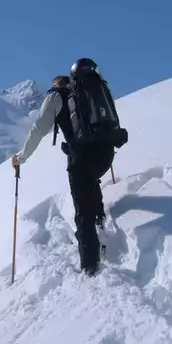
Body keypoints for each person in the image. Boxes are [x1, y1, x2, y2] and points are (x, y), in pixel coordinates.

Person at [11, 61, 118, 276]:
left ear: (55, 85)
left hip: (81, 160)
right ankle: (100, 223)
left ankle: (90, 268)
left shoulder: (56, 97)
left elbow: (38, 129)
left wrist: (21, 158)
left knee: (82, 213)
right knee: (91, 182)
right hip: (106, 154)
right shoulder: (91, 92)